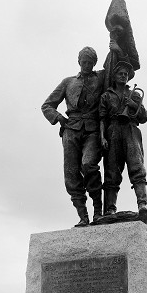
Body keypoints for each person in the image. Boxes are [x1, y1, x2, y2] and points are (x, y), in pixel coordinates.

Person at [41, 47, 105, 227]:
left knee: (88, 164)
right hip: (71, 130)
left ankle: (98, 212)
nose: (86, 65)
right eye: (83, 62)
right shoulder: (68, 82)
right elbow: (47, 105)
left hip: (92, 129)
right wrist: (59, 118)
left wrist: (114, 41)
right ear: (79, 62)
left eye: (90, 62)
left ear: (94, 63)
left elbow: (114, 64)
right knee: (71, 174)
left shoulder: (100, 78)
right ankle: (83, 217)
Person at [99, 60, 147, 218]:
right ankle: (110, 209)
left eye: (125, 74)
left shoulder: (133, 94)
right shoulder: (106, 95)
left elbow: (145, 117)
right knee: (112, 171)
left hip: (131, 130)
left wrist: (134, 104)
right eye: (120, 73)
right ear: (114, 76)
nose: (123, 76)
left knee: (137, 167)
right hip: (113, 131)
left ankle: (142, 204)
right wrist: (102, 137)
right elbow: (101, 118)